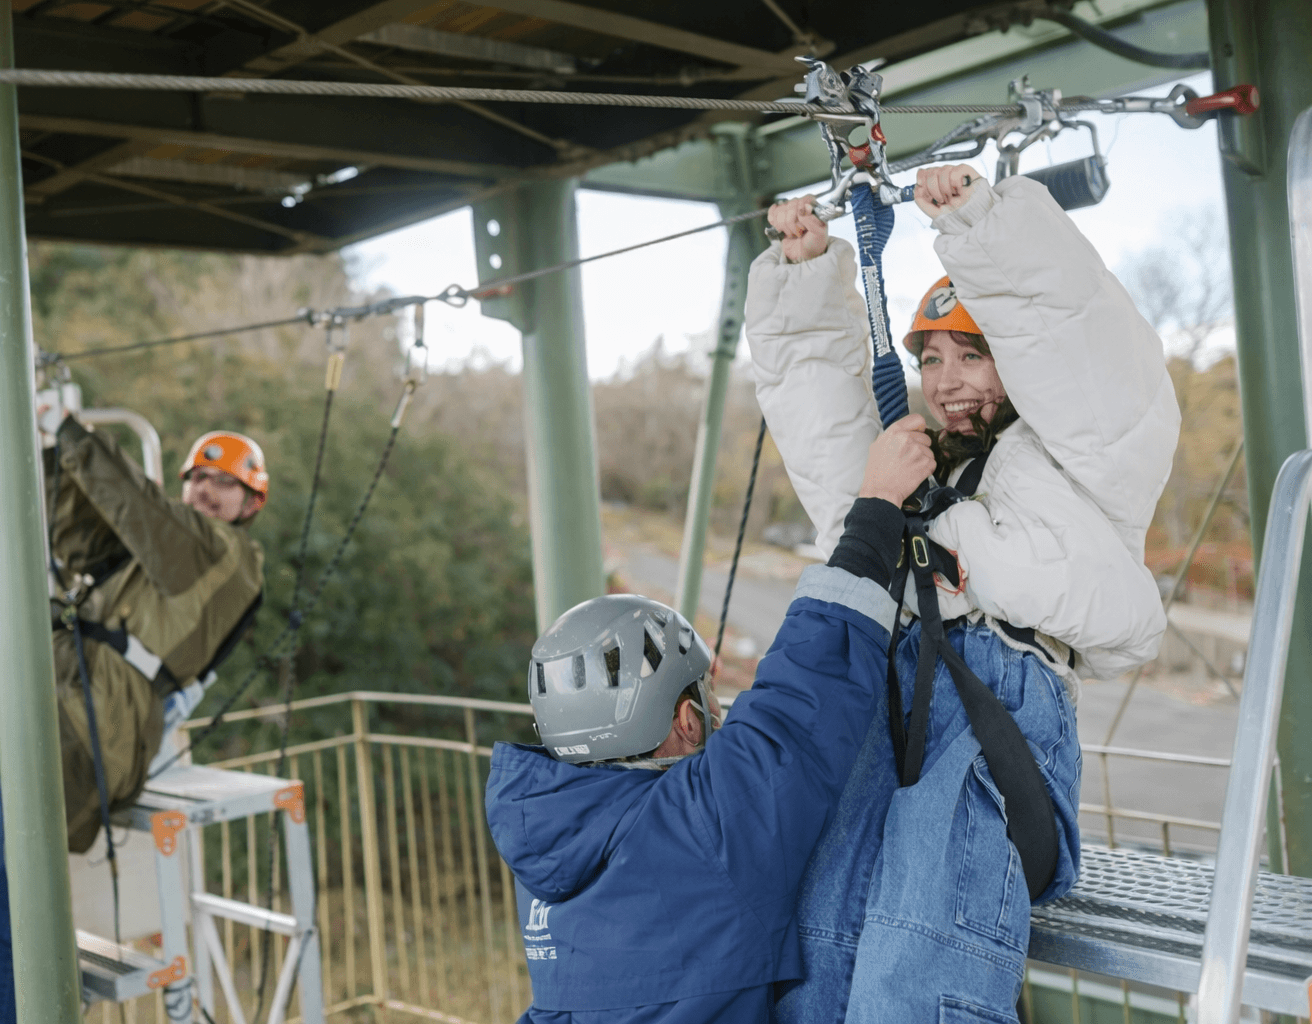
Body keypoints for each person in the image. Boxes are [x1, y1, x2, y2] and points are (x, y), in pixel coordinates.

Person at [749, 165, 1179, 1022]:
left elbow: (1073, 338)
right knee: (818, 948)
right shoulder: (929, 473)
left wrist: (984, 228)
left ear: (1015, 360)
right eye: (933, 359)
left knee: (917, 969)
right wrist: (803, 280)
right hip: (902, 700)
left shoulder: (1080, 458)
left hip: (996, 716)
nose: (945, 381)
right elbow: (835, 446)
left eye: (973, 354)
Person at [487, 468, 927, 1023]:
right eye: (709, 698)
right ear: (687, 721)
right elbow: (801, 703)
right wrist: (877, 509)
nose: (721, 711)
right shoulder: (704, 826)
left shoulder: (541, 836)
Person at [0, 420, 268, 1024]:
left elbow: (142, 510)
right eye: (198, 479)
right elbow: (79, 533)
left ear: (252, 502)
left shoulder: (228, 558)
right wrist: (52, 455)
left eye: (224, 484)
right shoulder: (145, 553)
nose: (206, 491)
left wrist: (77, 438)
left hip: (90, 723)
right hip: (33, 706)